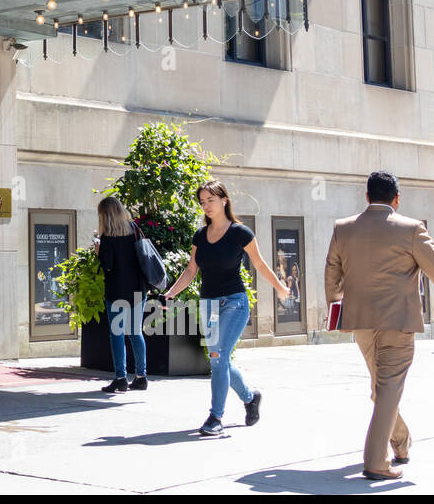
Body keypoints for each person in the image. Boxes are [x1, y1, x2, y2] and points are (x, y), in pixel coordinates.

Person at [324, 171, 434, 481]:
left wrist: (335, 308)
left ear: (366, 197)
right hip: (397, 321)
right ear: (397, 198)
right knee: (388, 388)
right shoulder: (411, 229)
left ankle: (400, 443)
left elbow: (331, 274)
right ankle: (376, 461)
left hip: (360, 323)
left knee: (382, 388)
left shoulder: (343, 229)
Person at [163, 181, 290, 436]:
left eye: (210, 199)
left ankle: (215, 416)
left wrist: (279, 287)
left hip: (234, 302)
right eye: (202, 202)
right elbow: (191, 270)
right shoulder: (200, 235)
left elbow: (261, 264)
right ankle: (249, 397)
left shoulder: (240, 233)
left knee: (218, 355)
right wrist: (170, 293)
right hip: (208, 304)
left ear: (223, 200)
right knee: (217, 360)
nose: (206, 205)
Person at [94, 196, 149, 394]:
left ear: (105, 215)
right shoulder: (134, 229)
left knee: (117, 334)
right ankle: (141, 377)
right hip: (137, 290)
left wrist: (98, 249)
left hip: (117, 291)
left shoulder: (108, 237)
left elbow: (107, 266)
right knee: (135, 332)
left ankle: (121, 378)